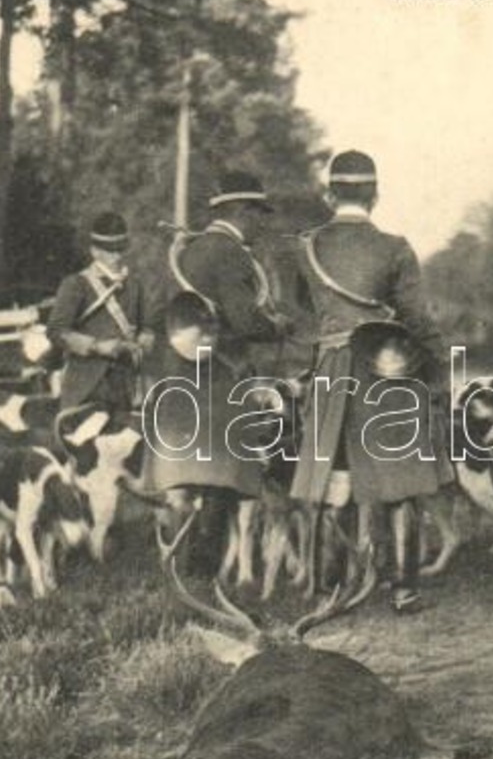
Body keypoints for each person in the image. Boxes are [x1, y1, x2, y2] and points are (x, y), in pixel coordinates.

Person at [288, 150, 451, 614]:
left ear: (328, 193)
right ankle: (403, 589)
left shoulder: (306, 248)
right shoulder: (396, 248)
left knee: (332, 479)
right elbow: (420, 320)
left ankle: (328, 593)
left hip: (334, 369)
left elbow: (305, 315)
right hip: (388, 368)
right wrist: (440, 375)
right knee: (401, 480)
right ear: (375, 195)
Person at [142, 172, 292, 576]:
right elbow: (245, 321)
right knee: (221, 484)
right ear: (240, 211)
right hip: (217, 383)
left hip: (176, 382)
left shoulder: (187, 252)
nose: (261, 222)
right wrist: (277, 326)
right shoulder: (230, 254)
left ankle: (182, 576)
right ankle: (205, 577)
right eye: (257, 213)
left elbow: (159, 315)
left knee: (183, 484)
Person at [48, 211, 154, 412]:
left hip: (126, 385)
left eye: (120, 249)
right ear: (95, 251)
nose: (117, 255)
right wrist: (96, 346)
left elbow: (143, 327)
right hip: (87, 386)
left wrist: (146, 337)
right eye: (110, 250)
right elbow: (56, 331)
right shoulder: (76, 284)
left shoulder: (134, 285)